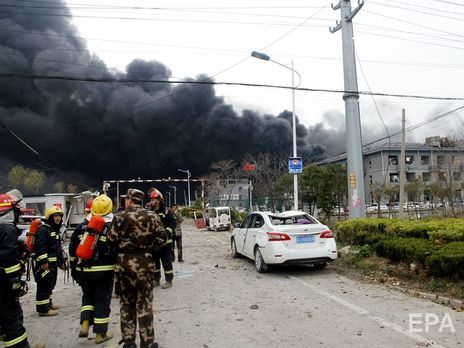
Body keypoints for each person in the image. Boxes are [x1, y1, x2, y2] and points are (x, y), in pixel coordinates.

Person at [108, 189, 166, 348]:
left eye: (125, 198)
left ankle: (128, 342)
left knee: (126, 303)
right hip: (145, 265)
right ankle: (147, 342)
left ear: (129, 199)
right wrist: (149, 249)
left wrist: (121, 250)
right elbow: (163, 238)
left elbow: (110, 241)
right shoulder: (152, 216)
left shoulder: (119, 217)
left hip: (124, 266)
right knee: (145, 303)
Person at [69, 194, 115, 344]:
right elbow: (115, 248)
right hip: (104, 271)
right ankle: (100, 334)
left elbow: (72, 249)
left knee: (87, 296)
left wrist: (73, 268)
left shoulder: (82, 226)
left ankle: (85, 324)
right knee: (102, 299)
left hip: (83, 270)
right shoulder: (110, 226)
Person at [0, 190, 32, 347]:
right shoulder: (7, 230)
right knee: (12, 318)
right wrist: (15, 282)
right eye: (16, 210)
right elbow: (9, 259)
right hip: (3, 285)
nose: (18, 214)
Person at [34, 205, 65, 316]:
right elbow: (40, 247)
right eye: (55, 216)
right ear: (50, 217)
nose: (58, 218)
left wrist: (61, 260)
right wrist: (43, 262)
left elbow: (56, 248)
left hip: (52, 263)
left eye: (59, 216)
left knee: (50, 284)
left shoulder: (53, 229)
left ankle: (48, 304)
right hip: (45, 264)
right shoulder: (43, 229)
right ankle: (43, 309)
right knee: (43, 285)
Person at [149, 189, 175, 289]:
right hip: (154, 242)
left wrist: (167, 232)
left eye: (153, 200)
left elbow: (173, 222)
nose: (151, 202)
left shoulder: (166, 211)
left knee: (166, 261)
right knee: (155, 262)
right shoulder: (150, 212)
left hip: (165, 242)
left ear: (159, 200)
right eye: (151, 200)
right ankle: (156, 279)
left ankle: (169, 280)